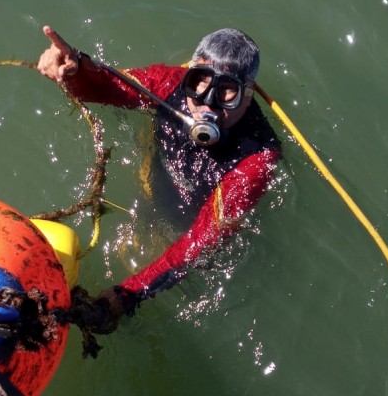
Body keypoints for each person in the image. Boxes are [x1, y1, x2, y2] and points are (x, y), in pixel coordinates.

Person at [37, 25, 281, 333]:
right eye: (200, 82)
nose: (207, 102)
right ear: (189, 76)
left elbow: (200, 242)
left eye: (227, 91)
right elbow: (106, 87)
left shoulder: (255, 161)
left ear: (247, 97)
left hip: (190, 224)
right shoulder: (169, 84)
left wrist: (126, 297)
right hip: (152, 190)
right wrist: (72, 70)